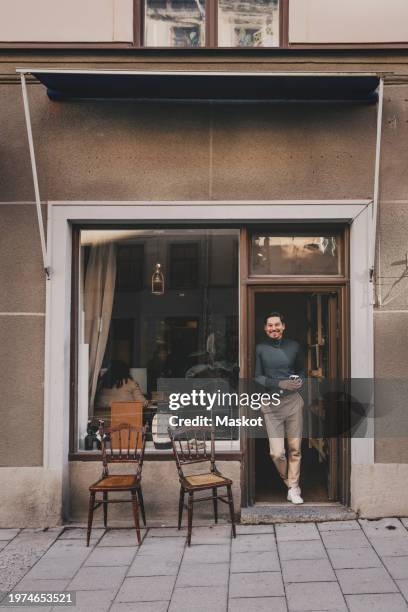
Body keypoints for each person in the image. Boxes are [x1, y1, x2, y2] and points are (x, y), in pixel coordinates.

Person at [255, 312, 305, 505]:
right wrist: (280, 384)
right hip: (271, 402)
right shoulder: (260, 348)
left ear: (283, 326)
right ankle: (289, 482)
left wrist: (299, 380)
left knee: (295, 448)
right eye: (270, 326)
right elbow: (257, 377)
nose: (273, 329)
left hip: (293, 402)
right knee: (277, 452)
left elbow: (301, 371)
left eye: (277, 325)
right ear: (265, 328)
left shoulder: (294, 346)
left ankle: (293, 488)